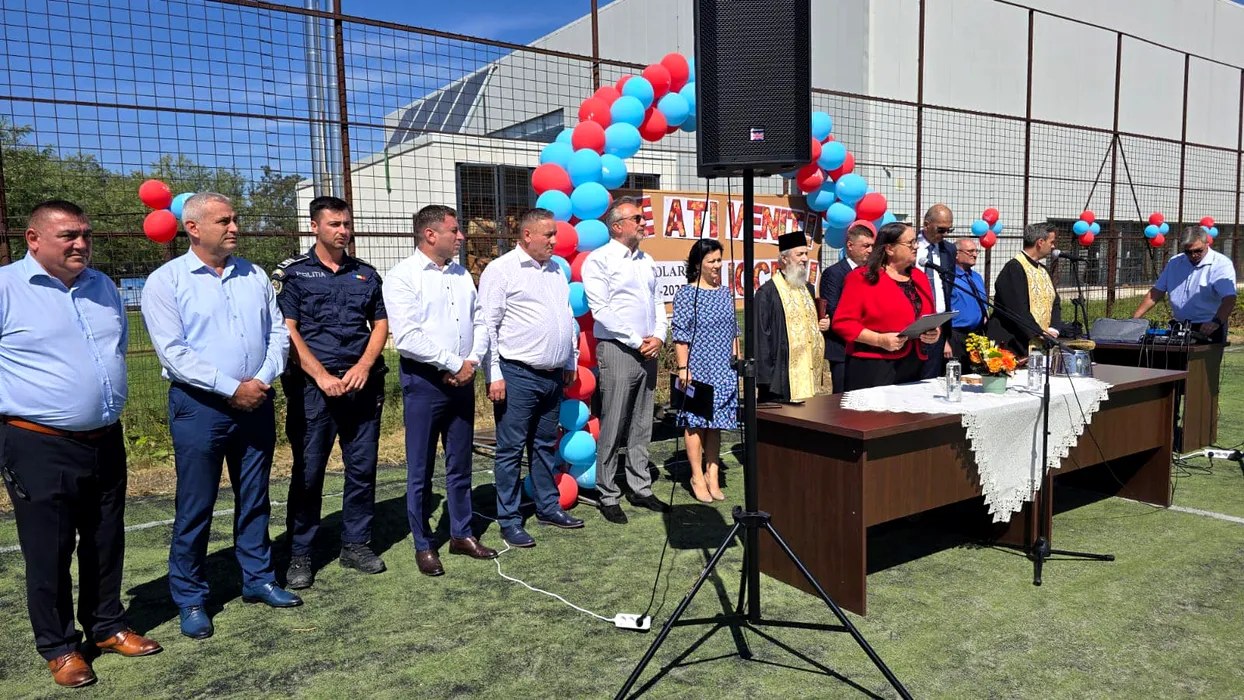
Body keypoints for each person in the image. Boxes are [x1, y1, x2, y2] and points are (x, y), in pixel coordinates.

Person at [0, 201, 161, 688]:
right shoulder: (6, 288)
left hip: (105, 438)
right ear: (33, 238)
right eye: (68, 235)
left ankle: (107, 625)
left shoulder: (103, 286)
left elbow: (111, 350)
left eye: (86, 234)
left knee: (105, 538)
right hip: (38, 443)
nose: (81, 244)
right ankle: (60, 647)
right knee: (48, 550)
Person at [142, 193, 298, 641]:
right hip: (200, 408)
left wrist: (261, 380)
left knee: (255, 497)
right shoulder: (166, 281)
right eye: (223, 221)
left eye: (235, 219)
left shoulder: (253, 275)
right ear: (192, 228)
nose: (234, 228)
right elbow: (173, 353)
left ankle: (258, 578)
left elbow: (277, 333)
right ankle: (191, 597)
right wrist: (231, 388)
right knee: (196, 505)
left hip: (256, 401)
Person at [273, 196, 389, 590]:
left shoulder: (365, 275)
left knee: (362, 469)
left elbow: (380, 324)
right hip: (313, 390)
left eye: (346, 224)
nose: (343, 231)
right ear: (314, 226)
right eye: (334, 224)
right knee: (308, 473)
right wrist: (321, 375)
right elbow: (288, 330)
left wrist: (363, 366)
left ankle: (356, 544)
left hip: (361, 386)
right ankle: (300, 553)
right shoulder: (294, 275)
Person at [384, 204, 496, 576]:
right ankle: (424, 543)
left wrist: (472, 362)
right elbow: (408, 338)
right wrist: (453, 363)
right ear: (430, 235)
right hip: (425, 383)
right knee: (420, 468)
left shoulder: (462, 275)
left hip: (462, 379)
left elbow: (480, 320)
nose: (461, 236)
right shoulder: (402, 276)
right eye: (454, 230)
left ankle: (461, 533)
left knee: (460, 462)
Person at [479, 208, 584, 547]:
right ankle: (509, 520)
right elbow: (487, 325)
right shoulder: (501, 270)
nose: (555, 240)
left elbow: (566, 317)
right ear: (527, 235)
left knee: (543, 446)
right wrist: (494, 373)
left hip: (552, 376)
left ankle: (547, 507)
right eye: (548, 234)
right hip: (517, 374)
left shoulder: (555, 270)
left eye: (555, 234)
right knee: (510, 450)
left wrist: (570, 358)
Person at [581, 196, 670, 524]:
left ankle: (639, 486)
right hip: (619, 349)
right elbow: (601, 309)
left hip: (648, 349)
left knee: (643, 421)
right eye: (637, 219)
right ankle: (607, 492)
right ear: (617, 226)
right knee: (615, 421)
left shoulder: (647, 260)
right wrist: (636, 340)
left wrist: (659, 336)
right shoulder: (599, 260)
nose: (643, 223)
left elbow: (658, 302)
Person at [833, 222, 941, 390]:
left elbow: (930, 315)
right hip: (874, 365)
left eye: (915, 241)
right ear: (890, 248)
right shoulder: (862, 278)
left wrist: (934, 332)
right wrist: (879, 340)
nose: (916, 246)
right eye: (910, 243)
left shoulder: (919, 277)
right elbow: (843, 323)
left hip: (914, 362)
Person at [671, 238, 739, 503]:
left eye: (719, 260)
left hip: (723, 367)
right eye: (712, 261)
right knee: (696, 423)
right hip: (698, 367)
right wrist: (683, 367)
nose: (717, 265)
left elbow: (734, 330)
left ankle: (713, 474)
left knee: (717, 424)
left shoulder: (725, 293)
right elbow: (680, 335)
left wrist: (736, 359)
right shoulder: (687, 294)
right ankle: (697, 476)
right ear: (698, 264)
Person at [756, 231, 829, 402]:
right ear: (784, 258)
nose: (805, 258)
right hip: (781, 377)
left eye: (806, 254)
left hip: (808, 371)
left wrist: (823, 324)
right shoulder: (767, 293)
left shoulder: (808, 289)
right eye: (800, 254)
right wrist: (765, 380)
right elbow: (761, 339)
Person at [1132, 226, 1237, 343]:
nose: (1193, 255)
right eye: (1188, 252)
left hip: (1209, 327)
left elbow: (1229, 298)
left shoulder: (1221, 264)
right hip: (1179, 325)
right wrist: (1134, 319)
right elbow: (1156, 292)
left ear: (1207, 243)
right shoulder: (1174, 262)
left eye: (1198, 250)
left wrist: (1216, 322)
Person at [987, 223, 1061, 358]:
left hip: (1043, 340)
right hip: (1015, 342)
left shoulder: (1043, 270)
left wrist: (1053, 329)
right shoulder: (1014, 268)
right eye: (1051, 242)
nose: (1053, 246)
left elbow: (1055, 301)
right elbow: (1017, 309)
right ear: (1040, 242)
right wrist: (1039, 333)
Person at [819, 223, 875, 393]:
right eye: (865, 246)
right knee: (843, 397)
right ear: (850, 245)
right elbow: (833, 309)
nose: (870, 250)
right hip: (842, 348)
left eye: (872, 246)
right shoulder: (834, 273)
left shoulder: (872, 273)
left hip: (869, 347)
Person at [915, 204, 958, 378]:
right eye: (941, 229)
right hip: (912, 322)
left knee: (930, 379)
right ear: (927, 224)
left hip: (937, 325)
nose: (945, 234)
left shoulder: (949, 250)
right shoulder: (911, 246)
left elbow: (947, 286)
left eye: (949, 229)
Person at [947, 237, 989, 363]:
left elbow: (983, 299)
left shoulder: (976, 277)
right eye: (970, 251)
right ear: (956, 254)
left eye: (976, 251)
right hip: (956, 336)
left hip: (978, 335)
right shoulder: (949, 277)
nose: (975, 255)